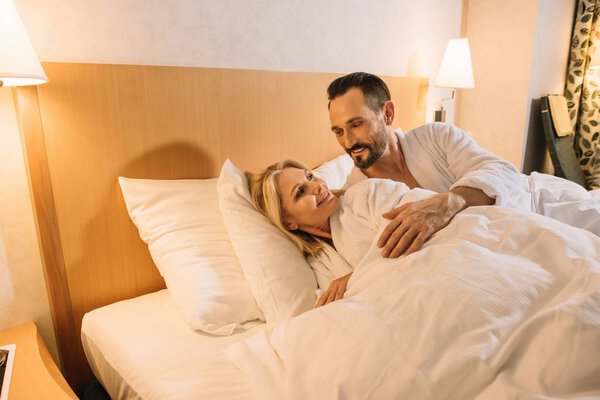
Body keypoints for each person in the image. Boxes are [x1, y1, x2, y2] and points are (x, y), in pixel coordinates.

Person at [326, 72, 600, 258]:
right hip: (493, 251)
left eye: (356, 124)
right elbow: (377, 255)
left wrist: (450, 202)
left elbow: (504, 172)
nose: (348, 141)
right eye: (338, 131)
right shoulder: (358, 195)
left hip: (537, 203)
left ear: (387, 113)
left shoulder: (436, 136)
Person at [246, 159, 434, 307]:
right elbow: (334, 306)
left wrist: (350, 280)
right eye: (301, 191)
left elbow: (410, 242)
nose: (317, 186)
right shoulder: (318, 262)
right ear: (289, 223)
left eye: (310, 177)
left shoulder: (366, 194)